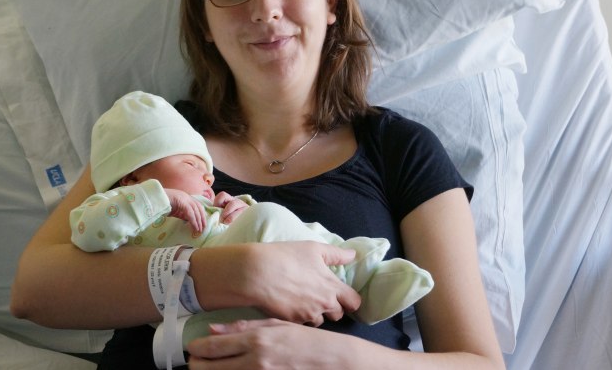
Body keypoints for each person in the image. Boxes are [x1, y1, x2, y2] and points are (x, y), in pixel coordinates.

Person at [10, 0, 505, 370]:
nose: (265, 8)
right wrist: (233, 272)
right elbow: (35, 290)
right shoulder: (158, 132)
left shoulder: (401, 150)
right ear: (204, 22)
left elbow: (480, 363)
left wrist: (338, 357)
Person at [70, 90, 434, 367]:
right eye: (190, 163)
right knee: (268, 220)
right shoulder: (125, 206)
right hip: (192, 326)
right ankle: (355, 277)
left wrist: (237, 211)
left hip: (246, 312)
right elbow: (87, 231)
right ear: (133, 175)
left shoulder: (398, 144)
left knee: (280, 223)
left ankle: (359, 270)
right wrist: (159, 198)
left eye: (207, 167)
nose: (208, 175)